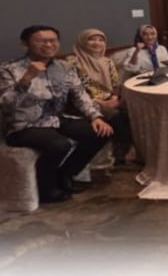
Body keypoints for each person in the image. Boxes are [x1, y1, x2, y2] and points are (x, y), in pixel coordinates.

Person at [1, 25, 114, 203]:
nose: (48, 45)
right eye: (41, 41)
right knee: (59, 145)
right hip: (24, 124)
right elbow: (6, 103)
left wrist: (96, 117)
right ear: (25, 44)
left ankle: (66, 174)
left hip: (57, 119)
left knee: (101, 132)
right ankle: (46, 188)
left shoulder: (65, 67)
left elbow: (80, 96)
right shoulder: (9, 69)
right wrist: (26, 79)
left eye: (53, 40)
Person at [68, 28, 131, 164]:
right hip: (86, 102)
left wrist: (114, 98)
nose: (97, 43)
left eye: (101, 40)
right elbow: (73, 91)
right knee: (116, 116)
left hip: (109, 99)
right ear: (82, 42)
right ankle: (119, 157)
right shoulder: (73, 63)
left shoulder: (107, 61)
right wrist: (100, 102)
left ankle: (127, 151)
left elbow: (115, 85)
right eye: (92, 40)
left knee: (133, 110)